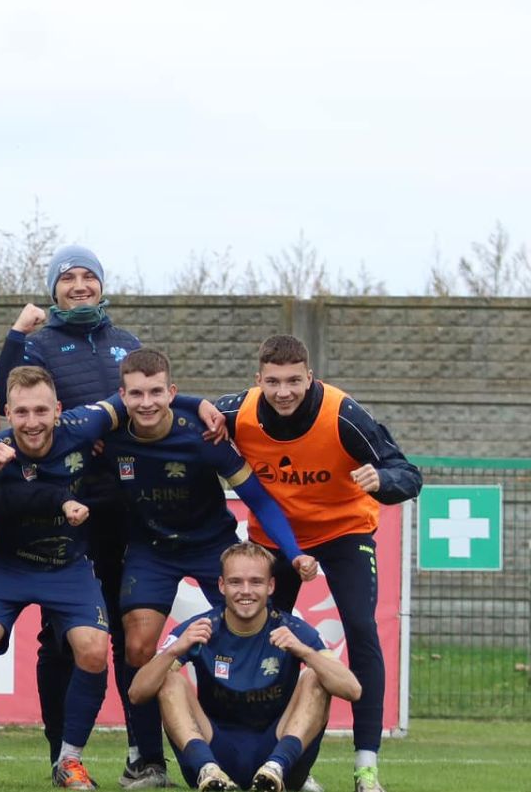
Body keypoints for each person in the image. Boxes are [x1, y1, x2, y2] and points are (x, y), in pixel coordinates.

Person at [0, 367, 223, 790]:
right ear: (6, 414)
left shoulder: (85, 425)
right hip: (6, 564)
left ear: (58, 411)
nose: (32, 422)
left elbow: (138, 397)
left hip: (67, 564)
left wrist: (196, 402)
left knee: (92, 651)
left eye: (40, 410)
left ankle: (69, 761)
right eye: (21, 412)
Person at [215, 335, 423, 792]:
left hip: (344, 532)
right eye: (273, 382)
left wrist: (382, 478)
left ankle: (366, 767)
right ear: (258, 381)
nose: (284, 392)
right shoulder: (235, 412)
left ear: (310, 377)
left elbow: (409, 475)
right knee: (263, 640)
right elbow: (176, 420)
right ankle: (282, 764)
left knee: (362, 630)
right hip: (274, 541)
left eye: (294, 380)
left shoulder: (344, 414)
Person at [106, 349, 316, 790]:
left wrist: (293, 551)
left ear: (172, 392)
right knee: (140, 646)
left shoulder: (206, 437)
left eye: (157, 392)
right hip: (152, 550)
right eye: (137, 394)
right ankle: (146, 761)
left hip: (213, 547)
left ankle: (291, 761)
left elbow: (258, 499)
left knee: (272, 636)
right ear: (122, 396)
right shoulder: (107, 434)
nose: (147, 402)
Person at [0, 245, 150, 787]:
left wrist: (196, 405)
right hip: (59, 510)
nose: (79, 286)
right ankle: (62, 754)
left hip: (122, 509)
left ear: (101, 285)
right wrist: (15, 337)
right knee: (59, 639)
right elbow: (2, 396)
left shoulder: (127, 344)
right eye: (68, 278)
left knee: (128, 632)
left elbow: (147, 404)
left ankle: (142, 756)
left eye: (88, 277)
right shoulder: (39, 344)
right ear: (54, 288)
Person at [127, 542, 362, 792]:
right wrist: (175, 650)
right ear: (221, 586)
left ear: (270, 586)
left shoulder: (293, 630)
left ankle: (275, 769)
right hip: (215, 753)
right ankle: (208, 770)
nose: (246, 591)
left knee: (317, 675)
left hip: (279, 755)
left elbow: (352, 690)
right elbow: (137, 693)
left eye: (256, 582)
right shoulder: (198, 629)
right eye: (236, 582)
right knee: (169, 679)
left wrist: (305, 652)